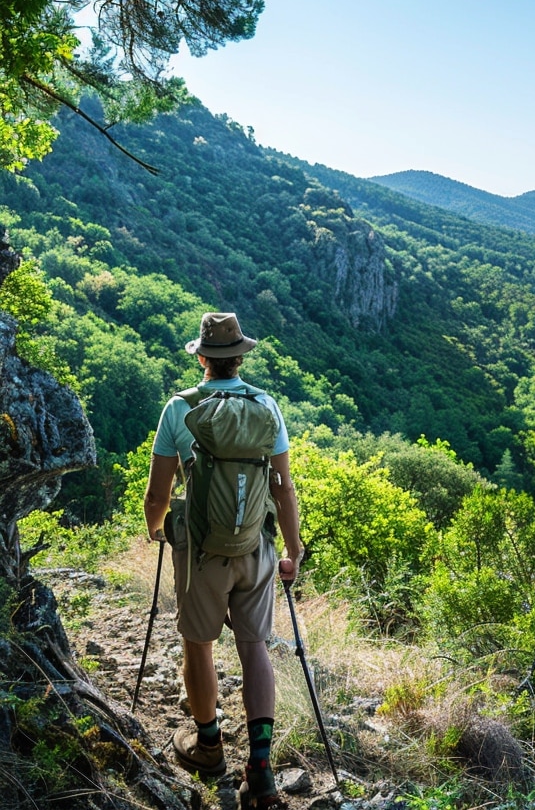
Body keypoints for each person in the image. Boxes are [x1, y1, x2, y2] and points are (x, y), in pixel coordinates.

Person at [144, 312, 303, 810]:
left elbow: (158, 493)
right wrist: (293, 550)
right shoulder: (266, 406)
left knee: (199, 643)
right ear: (240, 356)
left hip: (202, 549)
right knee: (254, 646)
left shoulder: (179, 409)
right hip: (256, 544)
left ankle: (208, 747)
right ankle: (261, 769)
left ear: (200, 358)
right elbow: (283, 488)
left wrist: (157, 531)